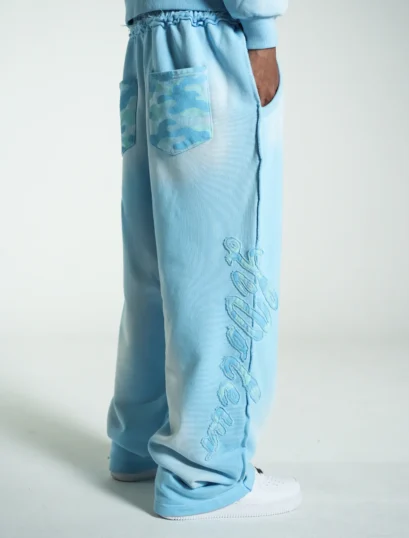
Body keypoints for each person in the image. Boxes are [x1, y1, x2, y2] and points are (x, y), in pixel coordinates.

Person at [107, 0, 302, 521]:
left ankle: (137, 443)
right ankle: (205, 473)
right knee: (217, 264)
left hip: (148, 39)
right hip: (211, 38)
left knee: (157, 265)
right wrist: (261, 34)